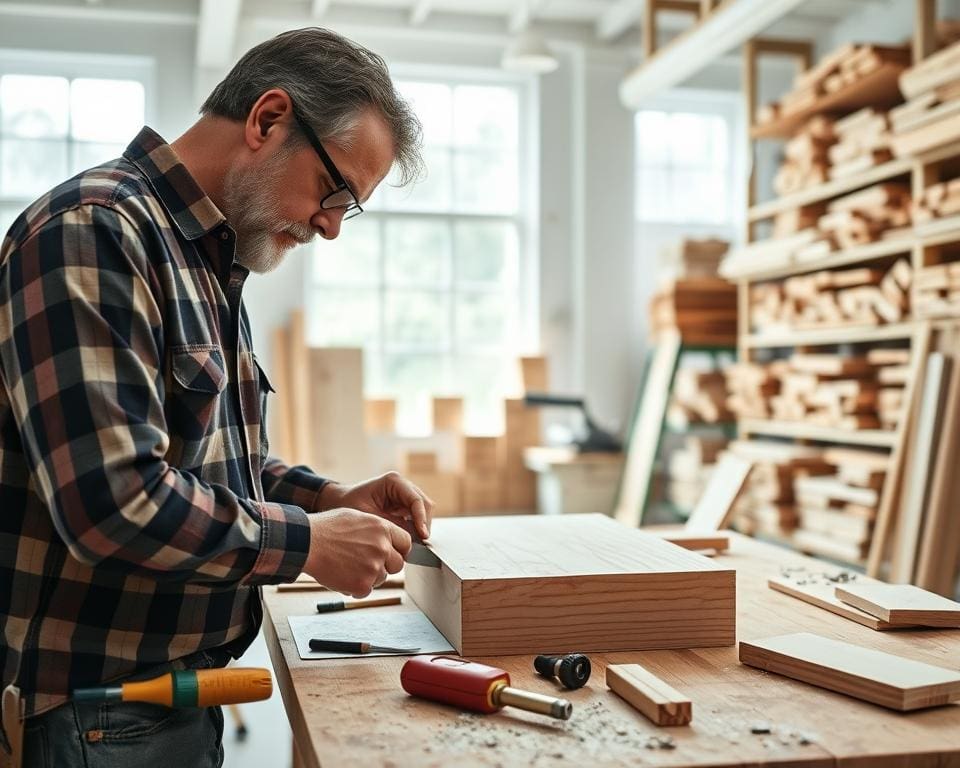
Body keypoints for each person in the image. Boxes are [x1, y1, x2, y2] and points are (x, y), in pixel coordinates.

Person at [0, 27, 428, 768]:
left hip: (165, 706)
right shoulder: (95, 232)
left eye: (347, 209)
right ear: (268, 120)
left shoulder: (210, 260)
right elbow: (113, 502)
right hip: (90, 718)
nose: (329, 226)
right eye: (335, 193)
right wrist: (306, 545)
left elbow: (208, 469)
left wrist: (331, 501)